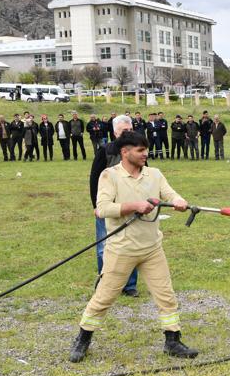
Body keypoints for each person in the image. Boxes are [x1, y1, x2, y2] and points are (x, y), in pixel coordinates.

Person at [70, 131, 199, 363]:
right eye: (140, 150)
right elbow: (102, 208)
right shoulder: (109, 176)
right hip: (121, 249)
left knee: (166, 295)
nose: (145, 154)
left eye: (146, 149)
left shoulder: (154, 174)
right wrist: (133, 206)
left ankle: (173, 341)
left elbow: (170, 194)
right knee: (104, 296)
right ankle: (83, 339)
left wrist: (179, 201)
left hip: (152, 248)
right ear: (125, 152)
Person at [89, 115, 140, 299]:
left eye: (130, 130)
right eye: (123, 131)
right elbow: (94, 179)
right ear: (115, 132)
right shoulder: (105, 150)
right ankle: (106, 284)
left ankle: (130, 285)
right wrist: (97, 205)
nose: (127, 134)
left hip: (131, 207)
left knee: (131, 246)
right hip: (108, 208)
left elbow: (145, 177)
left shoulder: (138, 151)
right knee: (105, 246)